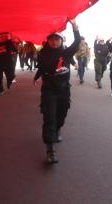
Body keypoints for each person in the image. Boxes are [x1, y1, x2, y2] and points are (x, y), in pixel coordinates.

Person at [34, 18, 80, 164]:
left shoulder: (66, 53)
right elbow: (41, 68)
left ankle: (58, 129)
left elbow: (77, 42)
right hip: (49, 89)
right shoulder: (42, 54)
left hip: (64, 89)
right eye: (52, 39)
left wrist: (75, 26)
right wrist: (36, 77)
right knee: (49, 117)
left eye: (57, 39)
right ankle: (50, 150)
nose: (54, 42)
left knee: (62, 113)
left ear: (61, 41)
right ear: (48, 41)